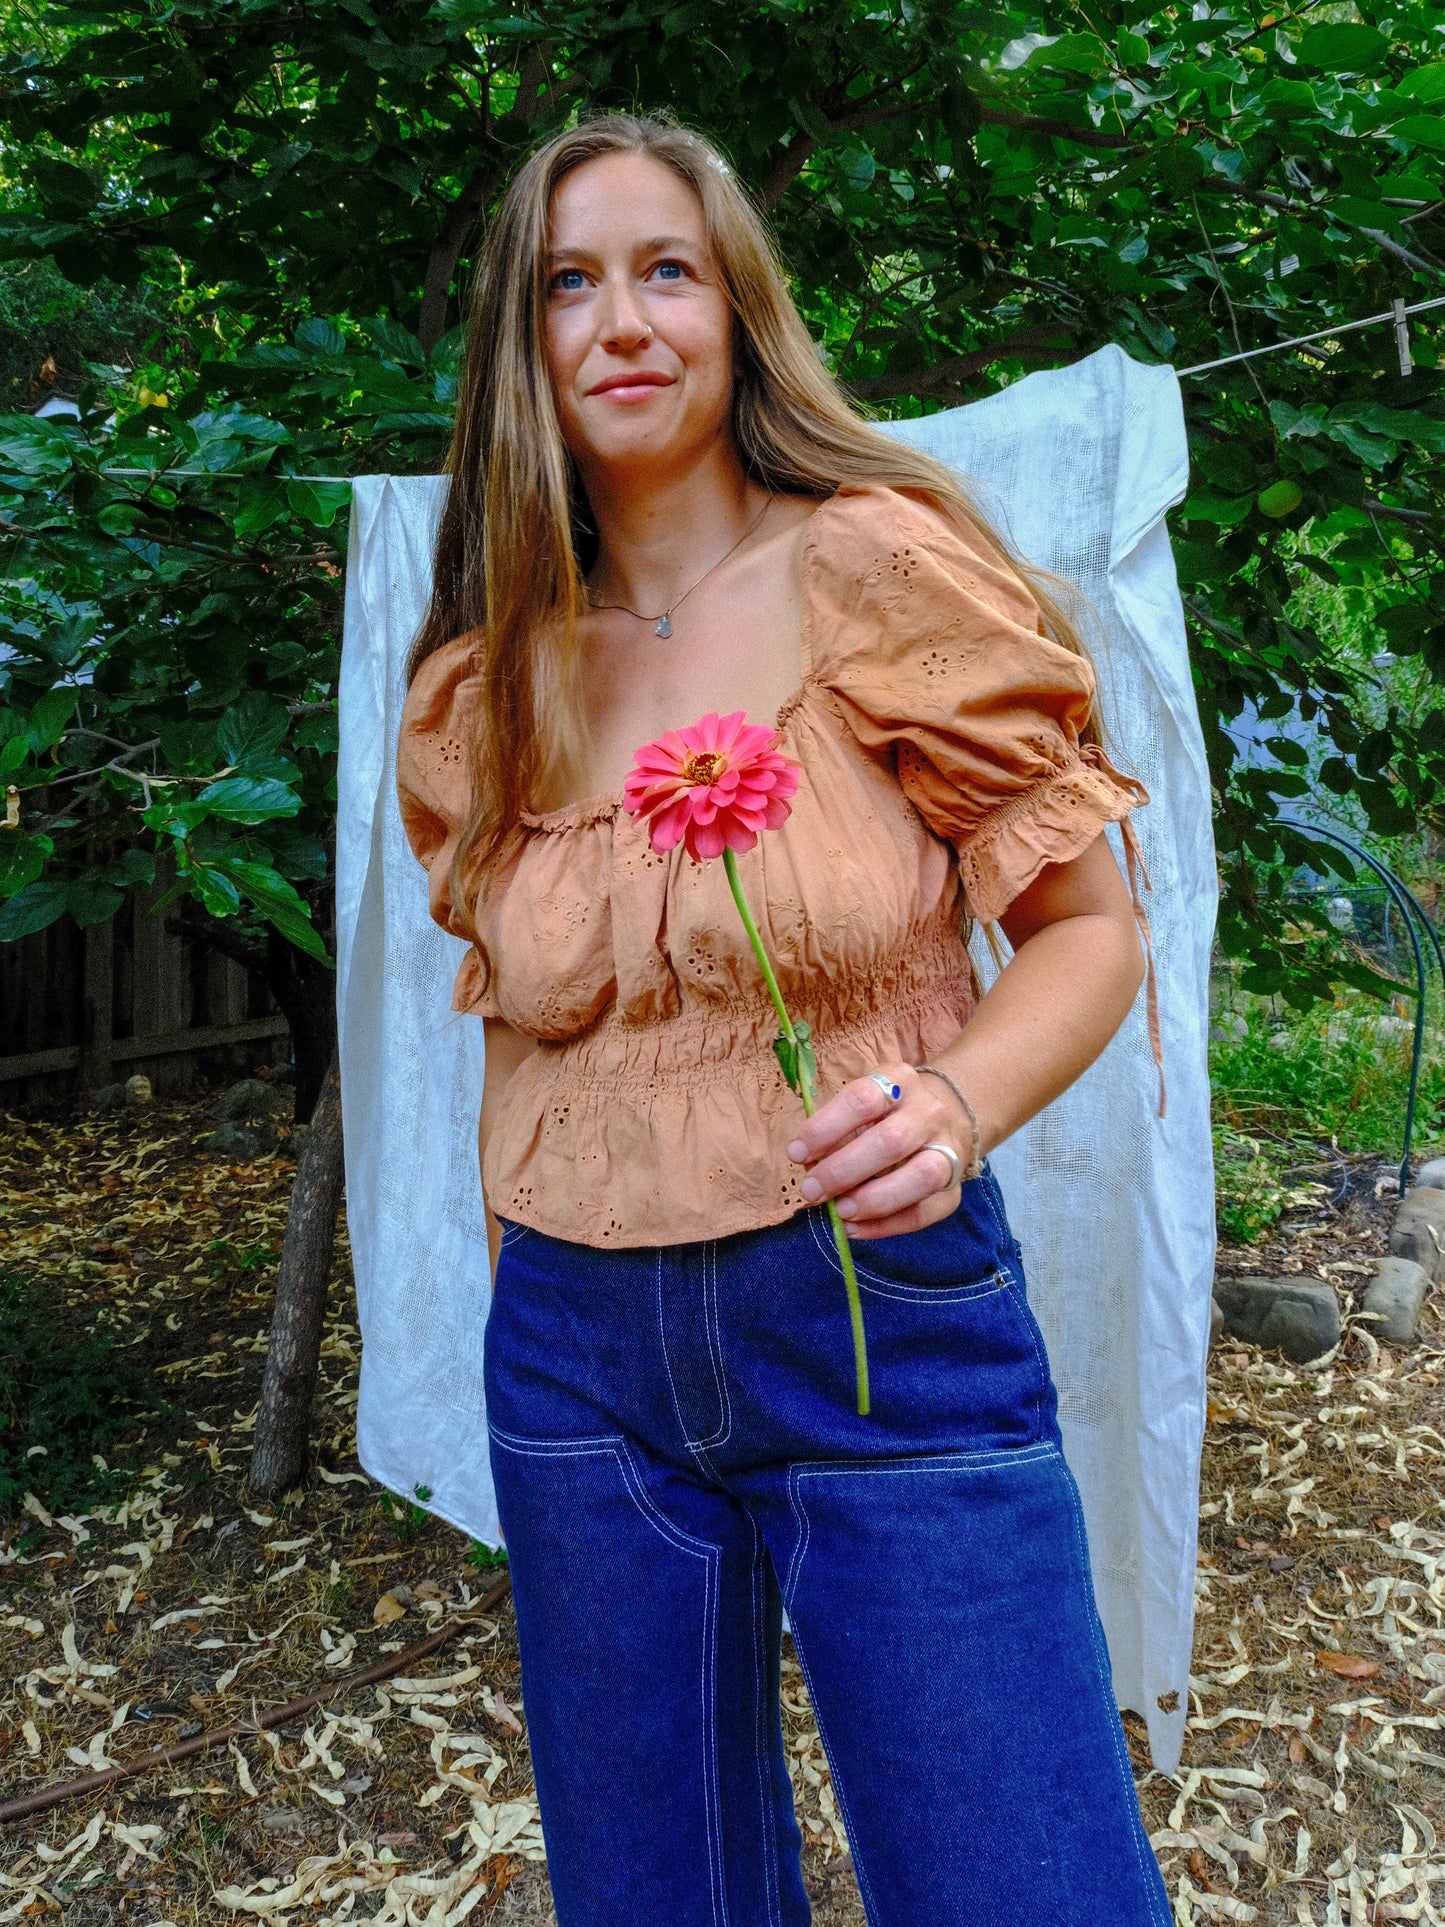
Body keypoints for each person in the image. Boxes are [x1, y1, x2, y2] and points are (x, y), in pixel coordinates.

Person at [398, 111, 1171, 1927]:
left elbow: (1087, 928)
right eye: (568, 283)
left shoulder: (874, 568)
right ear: (521, 345)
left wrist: (961, 1104)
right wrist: (522, 1277)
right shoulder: (481, 681)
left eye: (665, 268)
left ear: (737, 308)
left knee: (1021, 1884)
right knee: (657, 1897)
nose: (622, 320)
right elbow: (518, 1028)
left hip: (871, 1308)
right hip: (578, 1357)